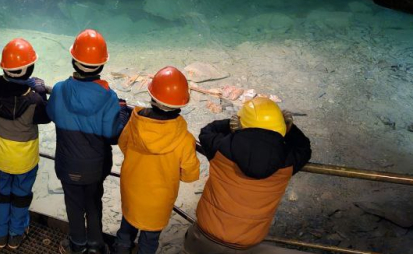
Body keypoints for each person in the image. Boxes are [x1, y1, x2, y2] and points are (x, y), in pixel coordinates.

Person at [184, 96, 312, 254]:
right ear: (282, 128)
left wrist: (232, 123)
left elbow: (207, 131)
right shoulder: (287, 163)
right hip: (245, 246)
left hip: (201, 238)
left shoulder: (221, 148)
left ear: (239, 124)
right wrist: (289, 128)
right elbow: (304, 147)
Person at [48, 29, 128, 254]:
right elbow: (112, 135)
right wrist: (122, 114)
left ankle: (76, 244)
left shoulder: (60, 89)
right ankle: (96, 245)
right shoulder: (109, 97)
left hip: (66, 165)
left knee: (73, 205)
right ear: (102, 65)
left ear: (73, 60)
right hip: (94, 167)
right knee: (93, 205)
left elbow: (51, 113)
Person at [114, 66, 200, 254]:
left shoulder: (134, 123)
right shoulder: (185, 140)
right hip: (159, 203)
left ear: (152, 97)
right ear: (181, 104)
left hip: (132, 190)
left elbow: (123, 144)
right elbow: (190, 175)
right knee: (149, 241)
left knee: (125, 231)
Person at [0, 38, 51, 250]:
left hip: (1, 158)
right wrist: (40, 91)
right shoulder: (34, 101)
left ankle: (0, 234)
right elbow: (46, 116)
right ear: (30, 70)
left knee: (3, 192)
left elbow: (5, 91)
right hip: (24, 160)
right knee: (21, 196)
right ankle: (15, 235)